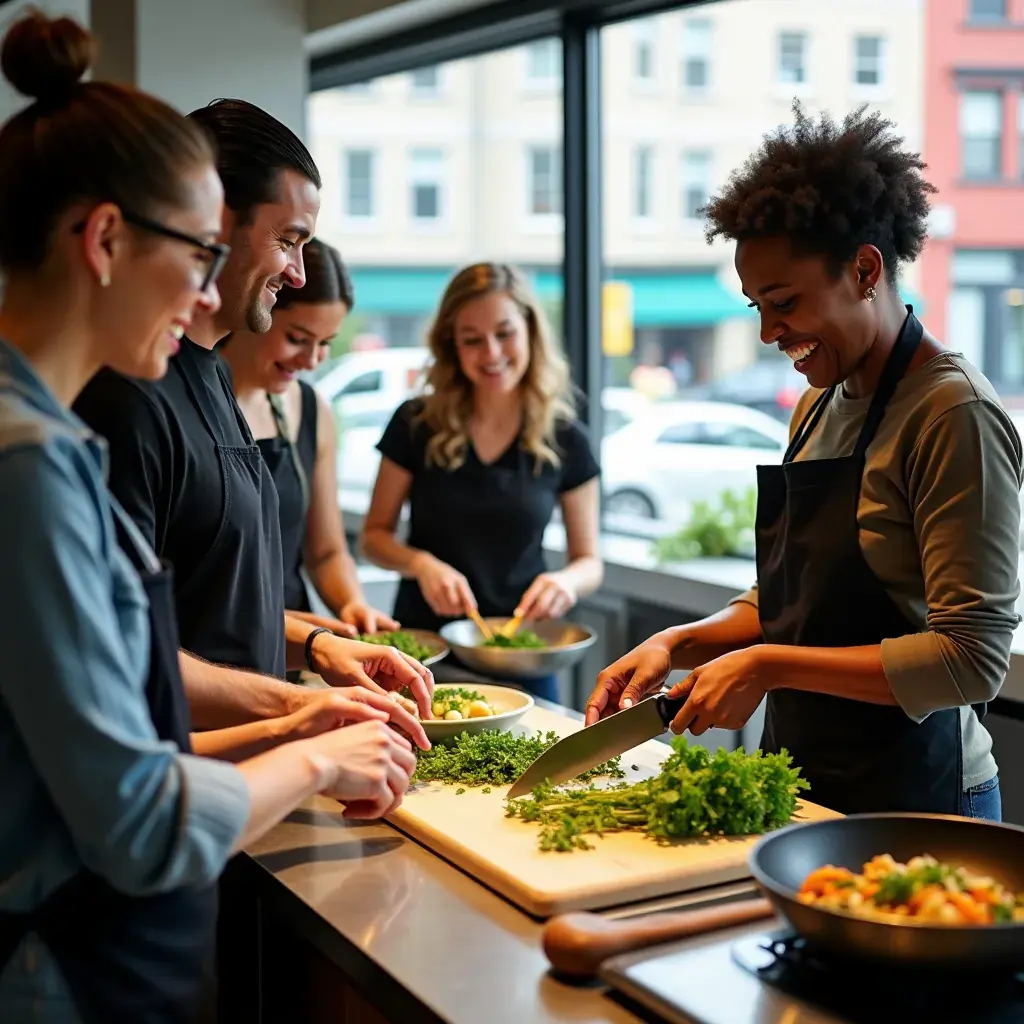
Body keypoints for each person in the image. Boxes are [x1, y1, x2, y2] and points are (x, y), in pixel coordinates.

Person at [0, 13, 421, 1022]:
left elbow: (122, 693)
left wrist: (297, 709)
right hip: (67, 961)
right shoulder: (31, 461)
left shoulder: (46, 433)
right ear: (106, 240)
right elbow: (138, 818)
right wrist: (315, 754)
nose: (202, 293)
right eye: (197, 253)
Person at [586, 105, 1023, 820]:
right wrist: (677, 643)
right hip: (805, 783)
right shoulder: (818, 403)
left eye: (784, 302)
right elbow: (796, 598)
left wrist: (767, 665)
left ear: (865, 269)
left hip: (919, 796)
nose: (768, 332)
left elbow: (972, 660)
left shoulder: (952, 413)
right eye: (756, 306)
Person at [74, 97, 433, 723]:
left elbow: (219, 604)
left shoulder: (214, 372)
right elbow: (122, 651)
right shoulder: (127, 398)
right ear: (213, 221)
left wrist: (317, 646)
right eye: (287, 240)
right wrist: (298, 707)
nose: (298, 274)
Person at [361, 262, 603, 702]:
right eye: (472, 339)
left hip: (524, 655)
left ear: (530, 332)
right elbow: (374, 537)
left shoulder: (568, 438)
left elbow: (589, 561)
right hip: (425, 656)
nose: (491, 353)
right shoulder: (415, 423)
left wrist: (566, 582)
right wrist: (422, 565)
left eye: (504, 333)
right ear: (451, 345)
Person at [220, 237, 398, 641]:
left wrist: (352, 603)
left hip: (297, 647)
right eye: (298, 339)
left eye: (325, 344)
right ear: (257, 307)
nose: (313, 360)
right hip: (210, 649)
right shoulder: (192, 404)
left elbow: (326, 552)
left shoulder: (311, 410)